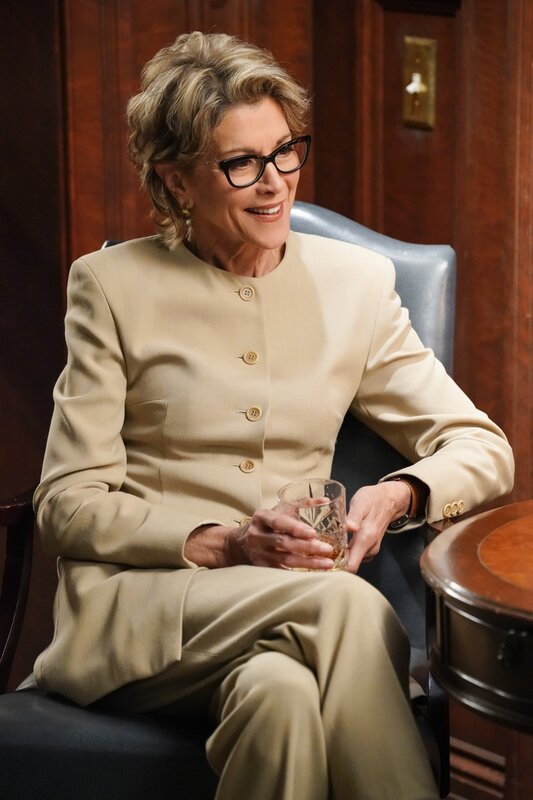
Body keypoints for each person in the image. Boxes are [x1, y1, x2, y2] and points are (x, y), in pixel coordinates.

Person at [32, 31, 514, 800]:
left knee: (279, 699)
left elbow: (479, 447)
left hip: (289, 612)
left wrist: (398, 494)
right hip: (147, 610)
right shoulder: (110, 287)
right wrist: (223, 543)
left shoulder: (356, 286)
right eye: (241, 163)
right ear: (176, 181)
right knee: (346, 606)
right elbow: (66, 504)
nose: (274, 183)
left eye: (286, 151)